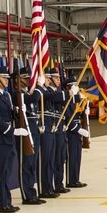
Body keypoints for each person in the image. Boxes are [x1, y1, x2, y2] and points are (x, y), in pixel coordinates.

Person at [0, 67, 26, 213]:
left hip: (7, 137)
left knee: (7, 171)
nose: (7, 80)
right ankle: (0, 203)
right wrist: (13, 131)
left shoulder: (6, 95)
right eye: (4, 77)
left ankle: (7, 201)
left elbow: (9, 114)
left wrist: (19, 112)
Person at [14, 68, 45, 206]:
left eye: (29, 78)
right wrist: (39, 86)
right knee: (26, 164)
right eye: (25, 78)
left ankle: (32, 193)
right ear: (17, 80)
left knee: (32, 164)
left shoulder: (26, 93)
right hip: (25, 133)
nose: (28, 81)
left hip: (34, 131)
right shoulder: (17, 94)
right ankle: (27, 195)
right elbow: (34, 98)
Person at [37, 68, 64, 198]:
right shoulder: (42, 91)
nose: (58, 80)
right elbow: (51, 96)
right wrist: (69, 93)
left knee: (51, 160)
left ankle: (49, 187)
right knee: (45, 160)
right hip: (44, 129)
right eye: (55, 78)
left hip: (51, 128)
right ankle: (44, 189)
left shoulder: (49, 91)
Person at [63, 76, 89, 189]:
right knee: (72, 155)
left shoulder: (75, 100)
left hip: (78, 128)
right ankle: (70, 180)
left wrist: (86, 109)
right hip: (71, 129)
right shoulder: (67, 100)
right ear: (68, 87)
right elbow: (67, 116)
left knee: (77, 155)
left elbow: (78, 113)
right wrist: (76, 128)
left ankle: (76, 179)